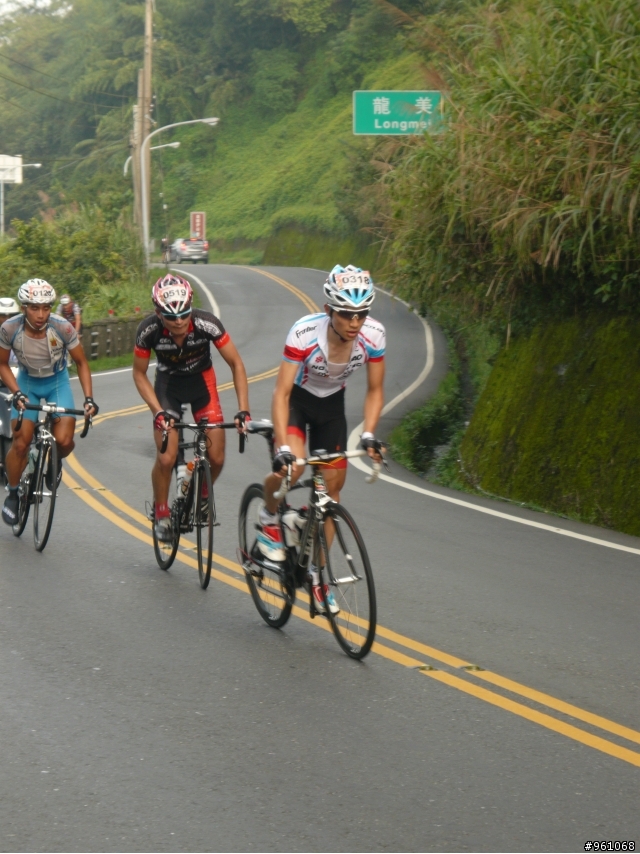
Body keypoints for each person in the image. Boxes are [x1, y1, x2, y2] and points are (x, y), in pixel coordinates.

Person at [257, 264, 385, 614]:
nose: (355, 322)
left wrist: (370, 432)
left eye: (361, 314)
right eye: (346, 314)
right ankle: (269, 518)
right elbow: (281, 393)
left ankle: (318, 576)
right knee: (291, 471)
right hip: (297, 402)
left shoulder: (374, 335)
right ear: (329, 310)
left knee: (331, 492)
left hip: (331, 408)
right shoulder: (304, 333)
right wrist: (283, 447)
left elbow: (375, 390)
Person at [132, 274, 250, 542]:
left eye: (184, 314)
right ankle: (161, 512)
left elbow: (236, 364)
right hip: (168, 388)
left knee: (217, 458)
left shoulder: (207, 323)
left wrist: (243, 409)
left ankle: (202, 496)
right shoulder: (148, 330)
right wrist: (157, 411)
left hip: (201, 384)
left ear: (190, 307)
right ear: (158, 313)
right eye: (171, 317)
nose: (179, 321)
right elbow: (139, 374)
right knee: (166, 457)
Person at [0, 279, 98, 525]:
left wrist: (88, 399)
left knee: (65, 440)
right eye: (34, 308)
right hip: (27, 383)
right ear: (24, 307)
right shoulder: (10, 328)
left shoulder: (62, 327)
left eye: (45, 307)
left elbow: (82, 363)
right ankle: (12, 493)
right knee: (21, 442)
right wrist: (17, 392)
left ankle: (53, 459)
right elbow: (2, 364)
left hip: (57, 382)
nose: (41, 314)